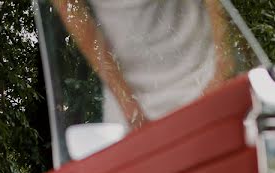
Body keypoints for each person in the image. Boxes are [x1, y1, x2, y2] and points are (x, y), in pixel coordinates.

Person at [52, 0, 235, 129]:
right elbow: (74, 15)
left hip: (203, 73)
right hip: (131, 102)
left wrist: (222, 64)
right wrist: (128, 104)